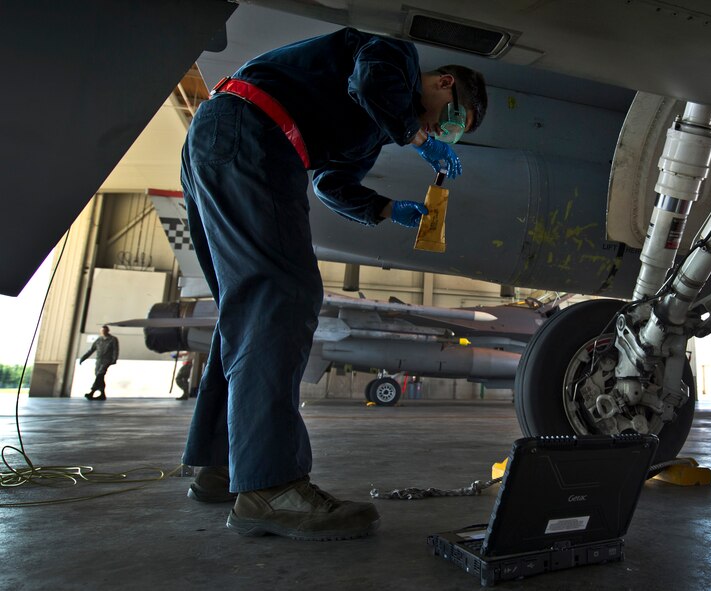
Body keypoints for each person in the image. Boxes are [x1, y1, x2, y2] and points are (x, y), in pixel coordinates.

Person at [179, 27, 487, 541]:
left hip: (232, 141)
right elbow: (371, 83)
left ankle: (225, 466)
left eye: (453, 134)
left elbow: (330, 183)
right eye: (452, 119)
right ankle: (271, 485)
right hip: (251, 132)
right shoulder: (395, 58)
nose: (445, 131)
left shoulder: (369, 131)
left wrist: (388, 209)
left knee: (249, 306)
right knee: (284, 296)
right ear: (444, 82)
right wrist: (420, 138)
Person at [79, 325, 119, 401]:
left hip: (107, 360)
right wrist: (83, 358)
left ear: (108, 331)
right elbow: (91, 350)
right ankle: (102, 394)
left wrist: (114, 359)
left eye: (104, 331)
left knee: (100, 375)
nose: (103, 332)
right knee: (99, 376)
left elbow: (115, 350)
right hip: (99, 361)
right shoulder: (98, 340)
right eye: (102, 331)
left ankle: (92, 392)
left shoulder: (113, 339)